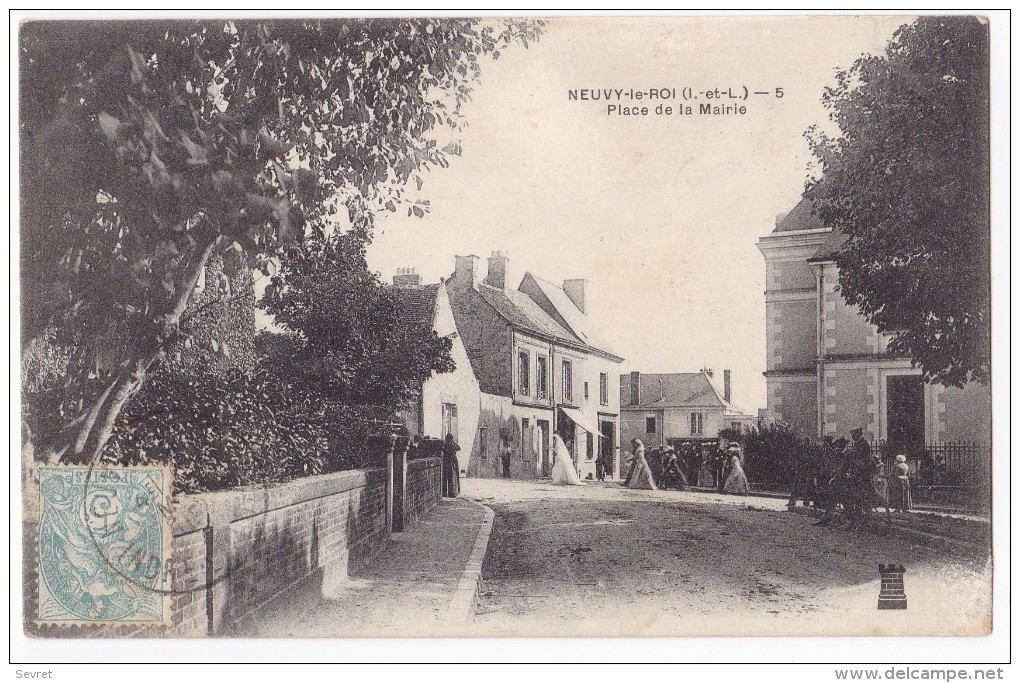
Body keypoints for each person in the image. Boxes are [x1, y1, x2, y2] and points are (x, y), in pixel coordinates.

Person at [442, 433, 461, 498]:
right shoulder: (452, 444)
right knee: (450, 479)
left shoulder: (445, 444)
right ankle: (451, 493)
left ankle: (444, 493)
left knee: (445, 479)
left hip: (445, 463)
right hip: (451, 463)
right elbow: (458, 448)